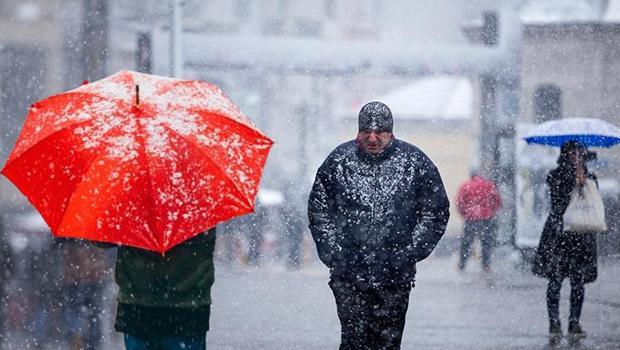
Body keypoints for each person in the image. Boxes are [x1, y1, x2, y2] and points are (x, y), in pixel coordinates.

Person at [308, 101, 450, 350]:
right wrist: (333, 253)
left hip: (394, 276)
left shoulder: (414, 163)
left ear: (391, 132)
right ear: (358, 132)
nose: (372, 138)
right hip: (349, 274)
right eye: (366, 131)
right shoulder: (338, 162)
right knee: (353, 341)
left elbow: (436, 212)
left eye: (379, 132)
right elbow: (319, 211)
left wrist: (410, 252)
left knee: (387, 342)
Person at [99, 228, 216, 350]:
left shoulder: (132, 212)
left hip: (139, 304)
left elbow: (102, 237)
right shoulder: (196, 213)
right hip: (187, 306)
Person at [532, 141, 599, 344]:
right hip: (559, 234)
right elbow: (558, 201)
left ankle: (574, 322)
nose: (576, 156)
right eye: (573, 153)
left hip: (580, 233)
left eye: (580, 153)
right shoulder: (555, 175)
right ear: (565, 154)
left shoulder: (590, 178)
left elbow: (593, 201)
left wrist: (583, 180)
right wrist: (574, 179)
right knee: (555, 280)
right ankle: (554, 323)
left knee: (578, 283)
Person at [455, 170, 502, 272]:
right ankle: (486, 265)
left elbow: (460, 202)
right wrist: (491, 211)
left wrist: (465, 214)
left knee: (467, 243)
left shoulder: (466, 186)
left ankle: (462, 264)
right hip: (486, 218)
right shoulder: (489, 185)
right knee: (486, 243)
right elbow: (497, 200)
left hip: (471, 218)